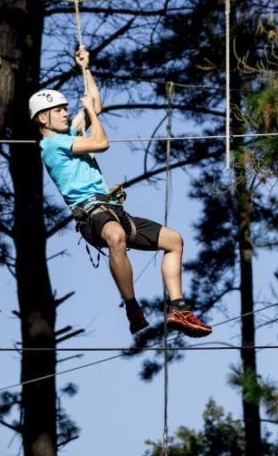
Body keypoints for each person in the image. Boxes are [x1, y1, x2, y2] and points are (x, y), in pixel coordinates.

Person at [29, 45, 212, 338]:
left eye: (65, 108)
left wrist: (85, 69)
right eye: (59, 110)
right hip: (91, 215)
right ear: (43, 119)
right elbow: (101, 142)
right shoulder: (51, 145)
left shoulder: (68, 135)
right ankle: (132, 307)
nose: (65, 113)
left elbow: (96, 105)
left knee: (174, 240)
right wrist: (88, 111)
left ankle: (179, 307)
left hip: (113, 209)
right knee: (115, 236)